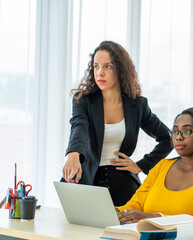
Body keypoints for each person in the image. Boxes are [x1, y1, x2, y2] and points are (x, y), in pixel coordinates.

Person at [62, 41, 172, 206]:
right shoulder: (83, 100)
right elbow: (79, 127)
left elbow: (168, 138)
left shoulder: (137, 105)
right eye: (96, 66)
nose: (100, 73)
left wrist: (142, 165)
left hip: (123, 185)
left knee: (123, 230)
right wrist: (73, 154)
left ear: (120, 69)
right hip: (85, 182)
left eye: (107, 66)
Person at [116, 107, 193, 223]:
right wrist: (116, 212)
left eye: (186, 131)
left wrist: (152, 218)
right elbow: (136, 204)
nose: (178, 137)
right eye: (175, 131)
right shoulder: (162, 166)